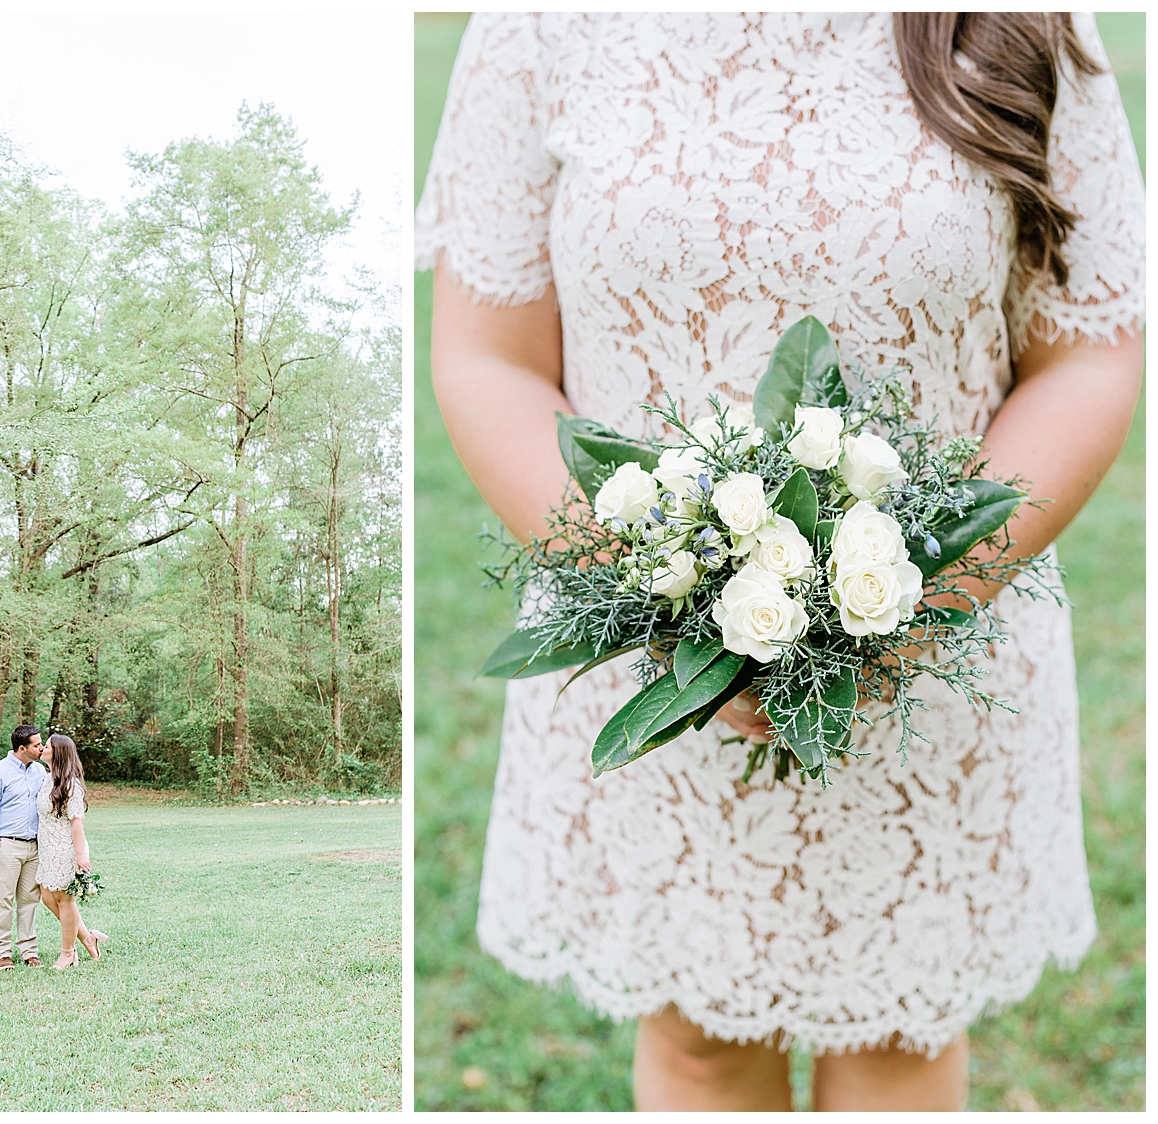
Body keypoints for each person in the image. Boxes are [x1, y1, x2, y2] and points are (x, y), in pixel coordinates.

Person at [418, 12, 1143, 1112]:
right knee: (700, 1039)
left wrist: (920, 601)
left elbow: (1086, 352)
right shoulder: (538, 22)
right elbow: (488, 356)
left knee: (900, 1036)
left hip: (937, 641)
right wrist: (661, 601)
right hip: (652, 649)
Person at [36, 734, 108, 970]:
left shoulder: (71, 785)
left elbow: (77, 823)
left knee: (65, 901)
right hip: (47, 849)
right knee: (48, 897)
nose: (42, 748)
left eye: (47, 746)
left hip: (65, 849)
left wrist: (80, 856)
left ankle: (68, 953)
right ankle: (88, 937)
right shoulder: (47, 779)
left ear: (57, 753)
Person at [0, 724, 47, 970]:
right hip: (7, 844)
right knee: (3, 900)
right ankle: (2, 953)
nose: (42, 748)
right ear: (22, 748)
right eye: (37, 745)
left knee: (29, 901)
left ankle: (29, 951)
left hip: (34, 846)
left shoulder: (40, 772)